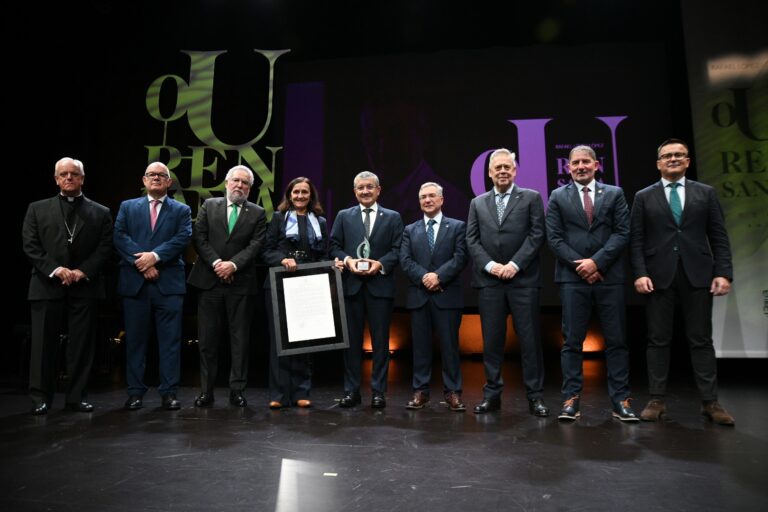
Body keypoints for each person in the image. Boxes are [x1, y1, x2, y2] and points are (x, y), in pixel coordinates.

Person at [631, 138, 735, 426]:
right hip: (658, 275)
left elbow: (719, 236)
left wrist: (723, 272)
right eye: (667, 156)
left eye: (679, 155)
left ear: (688, 161)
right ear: (658, 163)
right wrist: (639, 273)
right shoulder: (643, 196)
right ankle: (656, 399)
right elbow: (636, 239)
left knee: (701, 339)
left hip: (698, 273)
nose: (673, 159)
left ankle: (710, 402)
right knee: (657, 339)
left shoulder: (706, 193)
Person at [545, 145, 638, 422]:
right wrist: (582, 266)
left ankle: (621, 399)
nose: (581, 166)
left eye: (586, 161)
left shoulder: (615, 193)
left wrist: (596, 262)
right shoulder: (557, 196)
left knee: (617, 341)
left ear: (596, 165)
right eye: (575, 163)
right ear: (568, 167)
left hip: (609, 277)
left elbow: (623, 232)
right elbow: (554, 238)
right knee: (572, 342)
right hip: (572, 279)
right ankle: (571, 399)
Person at [22, 157, 113, 415]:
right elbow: (30, 245)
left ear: (82, 178)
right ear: (56, 178)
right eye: (64, 174)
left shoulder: (101, 211)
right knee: (42, 345)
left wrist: (83, 270)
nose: (69, 178)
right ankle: (40, 397)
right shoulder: (37, 209)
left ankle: (77, 397)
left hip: (84, 285)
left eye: (74, 174)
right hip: (46, 283)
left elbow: (105, 247)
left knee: (81, 345)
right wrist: (56, 269)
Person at [466, 148, 549, 416]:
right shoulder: (477, 203)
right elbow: (472, 239)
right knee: (491, 341)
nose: (503, 171)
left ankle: (535, 397)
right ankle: (492, 395)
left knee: (529, 341)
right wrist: (491, 266)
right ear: (489, 173)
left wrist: (514, 265)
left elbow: (537, 235)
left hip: (522, 280)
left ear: (515, 171)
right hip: (489, 282)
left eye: (507, 167)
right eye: (497, 167)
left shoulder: (531, 198)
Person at [114, 162, 192, 411]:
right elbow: (119, 236)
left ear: (169, 183)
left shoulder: (182, 210)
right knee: (135, 341)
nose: (156, 178)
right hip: (136, 284)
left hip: (168, 284)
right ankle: (135, 392)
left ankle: (169, 392)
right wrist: (143, 263)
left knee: (170, 342)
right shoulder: (128, 207)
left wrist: (155, 257)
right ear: (144, 180)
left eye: (162, 175)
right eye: (151, 175)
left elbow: (182, 238)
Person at [187, 165, 266, 408]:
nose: (239, 186)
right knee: (208, 340)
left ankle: (237, 391)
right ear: (226, 183)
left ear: (250, 188)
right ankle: (206, 391)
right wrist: (218, 263)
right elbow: (198, 237)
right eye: (236, 181)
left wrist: (233, 265)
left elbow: (257, 244)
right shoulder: (209, 206)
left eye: (245, 183)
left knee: (239, 340)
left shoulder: (258, 212)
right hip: (209, 282)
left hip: (241, 284)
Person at [330, 171, 403, 408]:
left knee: (381, 342)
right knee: (350, 343)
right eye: (360, 188)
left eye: (369, 187)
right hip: (351, 287)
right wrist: (348, 260)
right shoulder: (343, 216)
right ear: (355, 191)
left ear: (378, 190)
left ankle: (378, 392)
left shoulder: (392, 217)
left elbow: (398, 249)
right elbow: (334, 245)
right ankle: (351, 391)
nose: (365, 191)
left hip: (380, 287)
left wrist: (381, 264)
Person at [399, 182, 468, 411]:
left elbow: (460, 258)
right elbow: (405, 260)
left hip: (447, 295)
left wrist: (438, 276)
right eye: (423, 197)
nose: (427, 200)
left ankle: (453, 392)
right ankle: (420, 391)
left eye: (431, 196)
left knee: (450, 346)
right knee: (420, 347)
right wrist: (425, 277)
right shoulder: (410, 230)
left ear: (441, 200)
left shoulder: (457, 227)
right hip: (419, 296)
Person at [263, 177, 329, 409]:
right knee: (278, 341)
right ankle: (278, 394)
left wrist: (329, 265)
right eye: (296, 192)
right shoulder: (278, 219)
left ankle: (302, 391)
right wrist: (282, 259)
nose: (300, 196)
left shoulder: (320, 221)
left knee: (304, 341)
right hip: (279, 284)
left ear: (311, 196)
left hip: (308, 287)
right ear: (289, 195)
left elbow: (323, 255)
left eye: (305, 192)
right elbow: (266, 250)